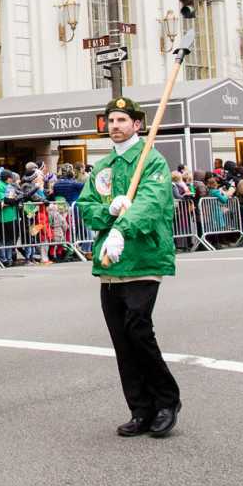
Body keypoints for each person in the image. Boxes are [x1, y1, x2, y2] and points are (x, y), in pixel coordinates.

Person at [78, 98, 181, 438]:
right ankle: (140, 409)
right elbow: (87, 207)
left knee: (138, 328)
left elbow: (153, 203)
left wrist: (124, 227)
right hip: (111, 264)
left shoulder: (151, 161)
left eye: (123, 119)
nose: (115, 125)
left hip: (143, 258)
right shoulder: (103, 167)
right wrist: (109, 214)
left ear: (137, 125)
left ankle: (167, 401)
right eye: (111, 120)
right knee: (121, 338)